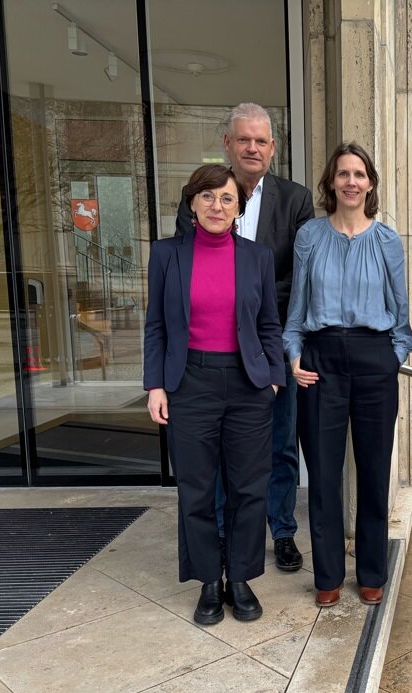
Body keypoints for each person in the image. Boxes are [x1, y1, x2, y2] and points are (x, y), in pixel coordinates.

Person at [176, 103, 314, 573]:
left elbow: (298, 277)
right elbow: (187, 266)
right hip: (210, 349)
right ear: (228, 144)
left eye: (261, 141)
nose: (252, 148)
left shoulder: (295, 200)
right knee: (217, 447)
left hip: (271, 343)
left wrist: (248, 302)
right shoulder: (200, 195)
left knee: (279, 443)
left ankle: (283, 530)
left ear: (273, 148)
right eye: (243, 139)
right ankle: (218, 532)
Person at [146, 164, 287, 625]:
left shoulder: (256, 257)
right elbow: (156, 327)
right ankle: (209, 580)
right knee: (197, 487)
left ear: (238, 209)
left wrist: (272, 377)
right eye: (208, 196)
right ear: (192, 203)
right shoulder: (167, 255)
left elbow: (268, 323)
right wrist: (155, 386)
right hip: (190, 383)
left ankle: (241, 578)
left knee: (248, 487)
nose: (217, 206)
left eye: (227, 199)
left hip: (247, 385)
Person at [283, 141, 412, 608]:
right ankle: (327, 576)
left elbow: (401, 317)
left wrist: (389, 358)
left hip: (374, 357)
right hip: (320, 362)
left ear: (371, 183)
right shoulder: (310, 237)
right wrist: (294, 354)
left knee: (375, 470)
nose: (351, 182)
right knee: (321, 474)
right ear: (331, 183)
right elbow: (296, 307)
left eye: (360, 174)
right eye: (343, 174)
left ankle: (373, 571)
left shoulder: (386, 241)